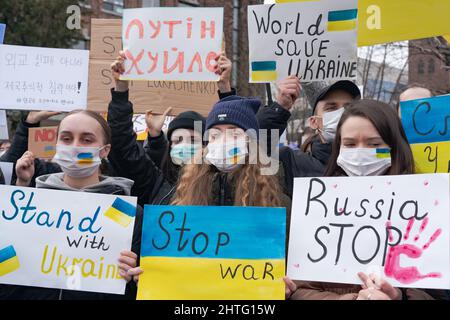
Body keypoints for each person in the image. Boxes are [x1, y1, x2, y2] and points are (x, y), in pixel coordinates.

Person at [117, 94, 292, 283]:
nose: (224, 141)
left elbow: (287, 268)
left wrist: (287, 288)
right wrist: (141, 274)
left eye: (234, 134)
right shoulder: (181, 197)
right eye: (215, 135)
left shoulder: (277, 204)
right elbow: (165, 267)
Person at [285, 99, 443, 300]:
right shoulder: (318, 204)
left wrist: (398, 297)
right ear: (339, 148)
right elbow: (299, 289)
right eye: (350, 144)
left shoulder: (425, 207)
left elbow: (438, 290)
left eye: (374, 144)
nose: (360, 152)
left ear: (394, 146)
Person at [0, 109, 142, 300]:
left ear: (105, 150)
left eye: (87, 140)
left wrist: (131, 278)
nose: (75, 146)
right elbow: (7, 278)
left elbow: (134, 291)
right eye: (66, 139)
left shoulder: (126, 211)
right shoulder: (31, 207)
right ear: (56, 144)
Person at [279, 80, 361, 196]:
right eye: (331, 108)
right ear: (314, 122)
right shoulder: (292, 163)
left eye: (349, 107)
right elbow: (257, 155)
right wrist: (279, 109)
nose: (342, 113)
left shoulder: (371, 160)